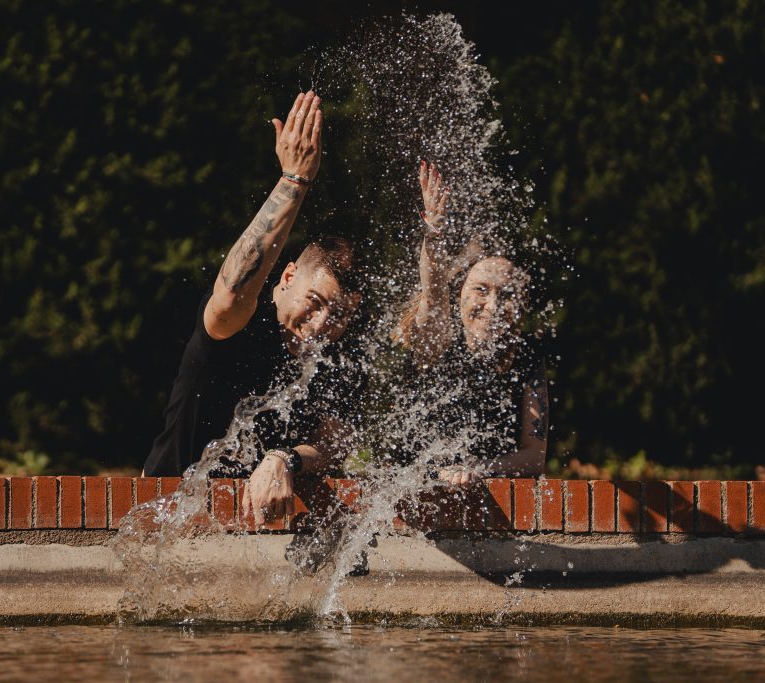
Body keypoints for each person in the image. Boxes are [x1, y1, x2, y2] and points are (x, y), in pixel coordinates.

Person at [143, 90, 364, 526]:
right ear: (285, 278)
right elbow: (230, 290)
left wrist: (283, 459)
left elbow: (334, 444)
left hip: (262, 536)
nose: (321, 324)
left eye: (337, 316)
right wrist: (294, 180)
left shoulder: (333, 360)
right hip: (171, 525)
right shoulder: (241, 323)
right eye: (315, 303)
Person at [392, 160, 548, 485]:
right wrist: (434, 229)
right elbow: (433, 289)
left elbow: (534, 456)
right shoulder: (440, 338)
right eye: (481, 290)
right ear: (458, 291)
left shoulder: (526, 353)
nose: (493, 306)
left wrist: (479, 470)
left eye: (506, 295)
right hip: (411, 497)